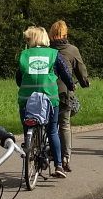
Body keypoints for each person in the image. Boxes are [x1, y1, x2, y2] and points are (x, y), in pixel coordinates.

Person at [17, 26, 75, 179]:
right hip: (49, 100)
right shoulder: (54, 54)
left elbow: (18, 78)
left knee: (27, 130)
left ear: (32, 40)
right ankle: (58, 165)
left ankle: (30, 152)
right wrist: (71, 86)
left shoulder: (23, 55)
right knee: (52, 131)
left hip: (26, 100)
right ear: (44, 38)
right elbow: (66, 74)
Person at [49, 20, 90, 173]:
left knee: (48, 124)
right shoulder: (72, 50)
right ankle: (65, 157)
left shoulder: (46, 50)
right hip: (63, 92)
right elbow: (80, 70)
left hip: (45, 91)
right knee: (64, 124)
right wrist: (85, 83)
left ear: (51, 34)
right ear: (65, 34)